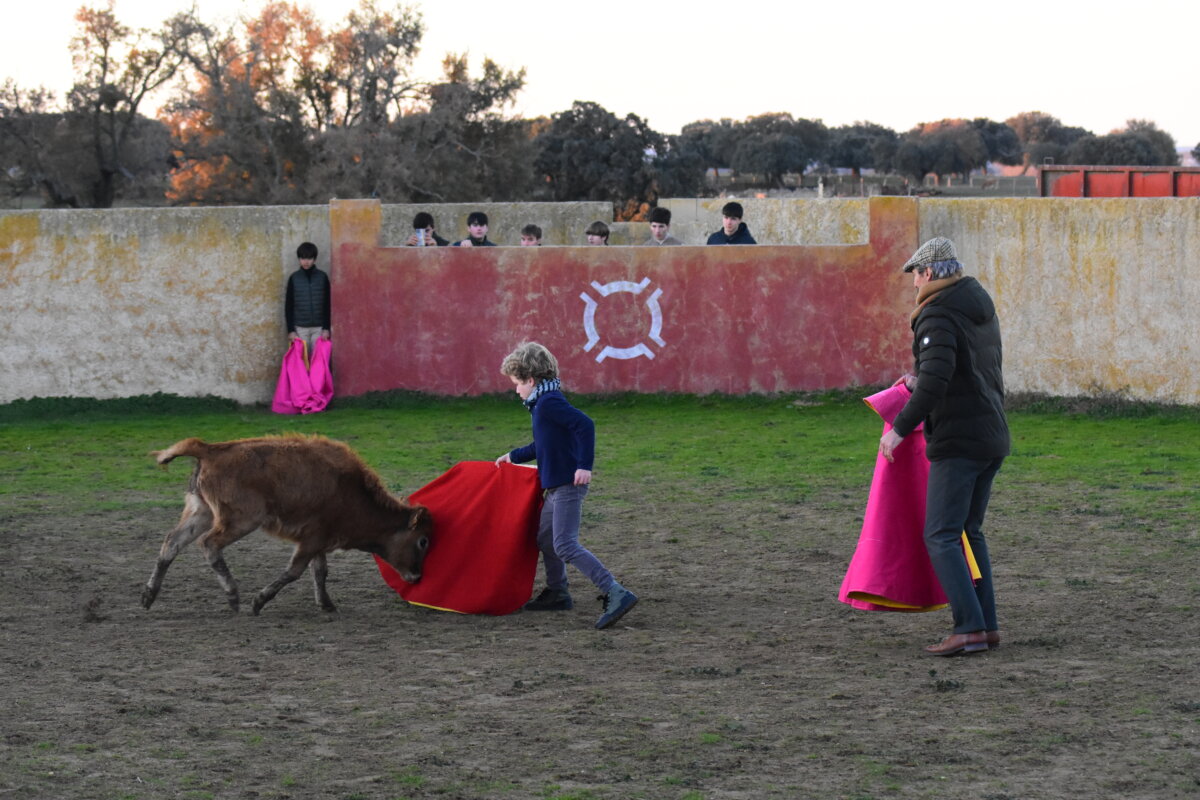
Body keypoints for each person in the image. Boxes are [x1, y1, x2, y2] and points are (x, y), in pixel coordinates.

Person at [879, 236, 1010, 657]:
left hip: (960, 440)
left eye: (916, 275)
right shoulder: (977, 304)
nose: (914, 284)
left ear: (931, 272)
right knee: (969, 532)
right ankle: (985, 626)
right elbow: (959, 370)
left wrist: (899, 428)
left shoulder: (936, 314)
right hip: (991, 435)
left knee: (940, 534)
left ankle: (969, 627)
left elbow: (936, 380)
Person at [495, 342, 639, 630]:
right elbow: (544, 445)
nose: (516, 390)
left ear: (531, 380)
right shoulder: (543, 403)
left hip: (567, 486)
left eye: (517, 383)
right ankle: (558, 592)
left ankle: (615, 591)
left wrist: (584, 465)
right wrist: (513, 456)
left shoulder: (548, 403)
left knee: (564, 543)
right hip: (556, 486)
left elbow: (585, 425)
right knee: (546, 538)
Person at [284, 241, 330, 353]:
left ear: (314, 259)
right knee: (301, 362)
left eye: (309, 258)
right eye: (303, 258)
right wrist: (291, 330)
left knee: (318, 362)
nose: (306, 261)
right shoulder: (294, 278)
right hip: (300, 328)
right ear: (299, 259)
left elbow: (328, 304)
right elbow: (289, 306)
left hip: (319, 329)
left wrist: (326, 328)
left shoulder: (322, 277)